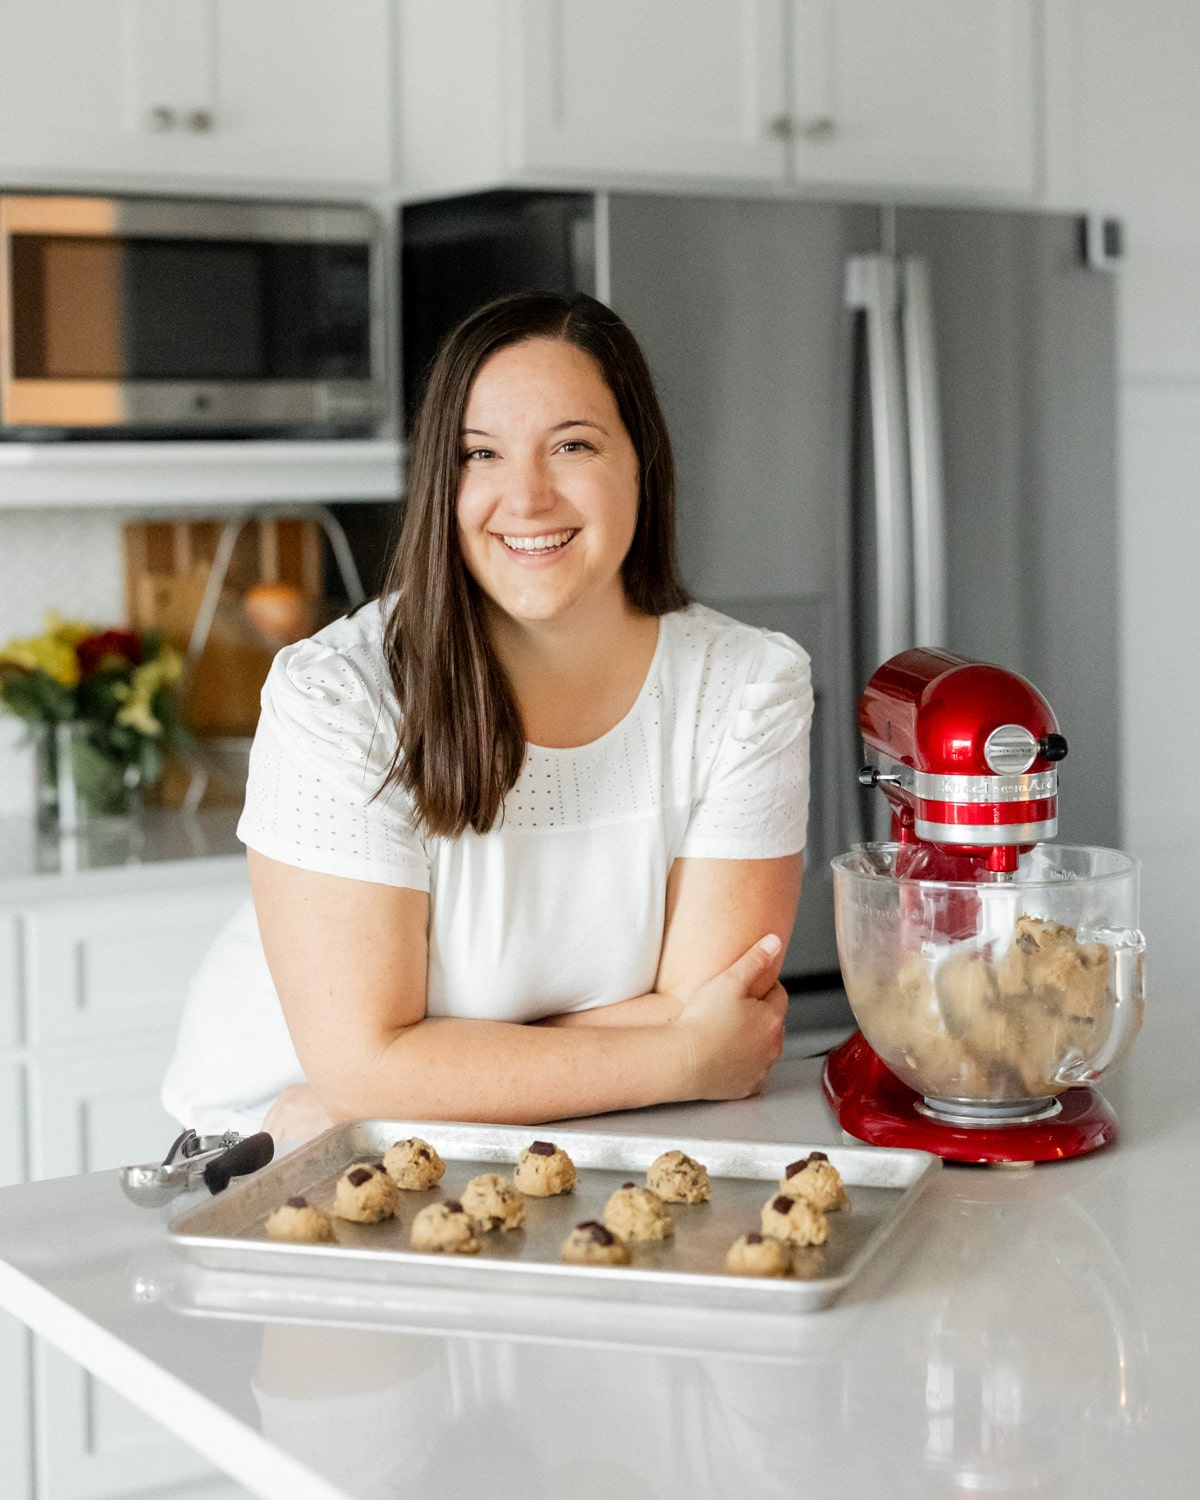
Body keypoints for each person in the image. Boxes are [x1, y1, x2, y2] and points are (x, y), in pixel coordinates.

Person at [162, 292, 812, 1142]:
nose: (528, 496)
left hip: (553, 1139)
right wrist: (681, 1059)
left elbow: (708, 1008)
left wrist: (406, 1079)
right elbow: (360, 1064)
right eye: (481, 455)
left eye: (572, 445)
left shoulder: (746, 688)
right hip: (274, 1149)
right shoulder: (342, 696)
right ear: (444, 479)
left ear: (641, 461)